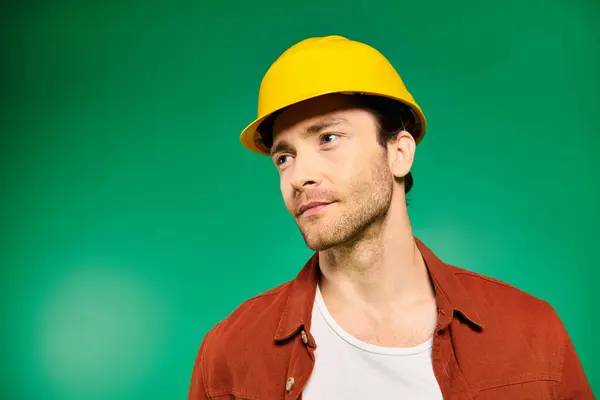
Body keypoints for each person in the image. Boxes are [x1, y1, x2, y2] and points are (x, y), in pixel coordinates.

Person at [188, 35, 593, 399]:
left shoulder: (532, 333)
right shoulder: (229, 353)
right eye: (284, 157)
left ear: (399, 152)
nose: (299, 175)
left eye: (328, 138)